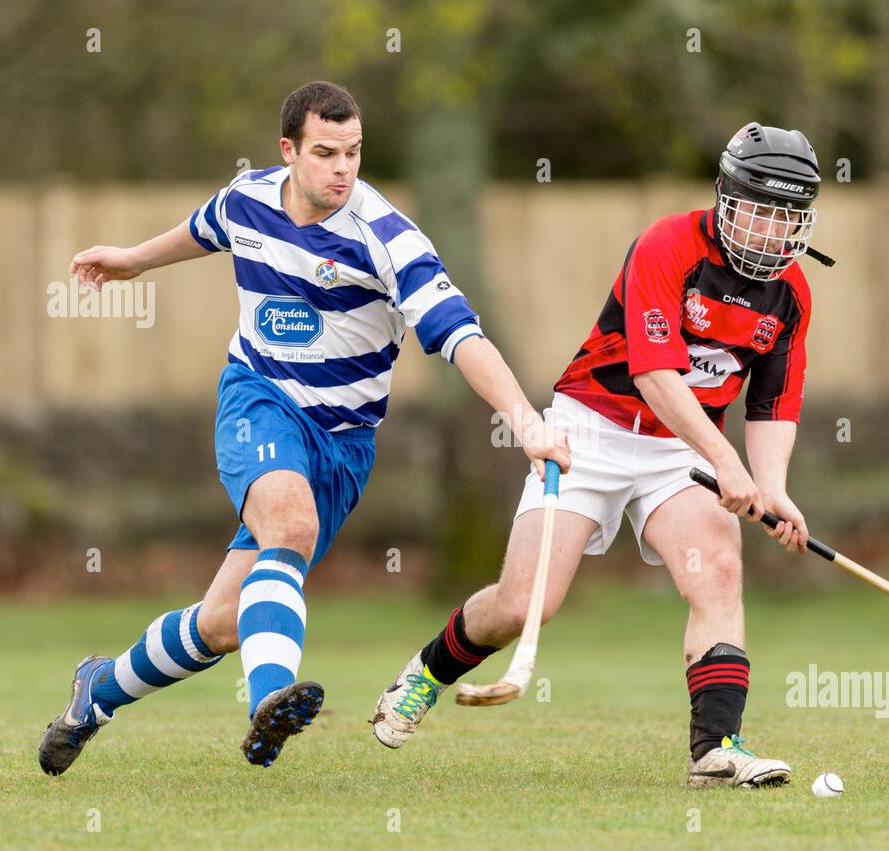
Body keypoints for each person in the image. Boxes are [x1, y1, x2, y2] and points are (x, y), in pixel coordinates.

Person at [38, 81, 569, 775]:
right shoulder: (249, 198)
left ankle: (96, 693)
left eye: (353, 152)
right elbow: (204, 229)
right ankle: (270, 703)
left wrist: (526, 422)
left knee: (226, 620)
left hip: (343, 446)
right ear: (288, 151)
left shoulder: (389, 238)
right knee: (289, 528)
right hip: (258, 400)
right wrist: (134, 260)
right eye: (325, 153)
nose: (342, 168)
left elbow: (461, 336)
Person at [372, 123, 821, 789]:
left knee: (720, 570)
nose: (769, 233)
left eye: (786, 219)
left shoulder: (791, 294)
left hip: (679, 454)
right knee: (526, 605)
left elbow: (774, 403)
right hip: (590, 430)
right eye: (759, 212)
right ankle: (427, 673)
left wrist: (772, 486)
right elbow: (655, 375)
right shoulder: (668, 246)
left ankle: (717, 749)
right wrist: (727, 463)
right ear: (726, 199)